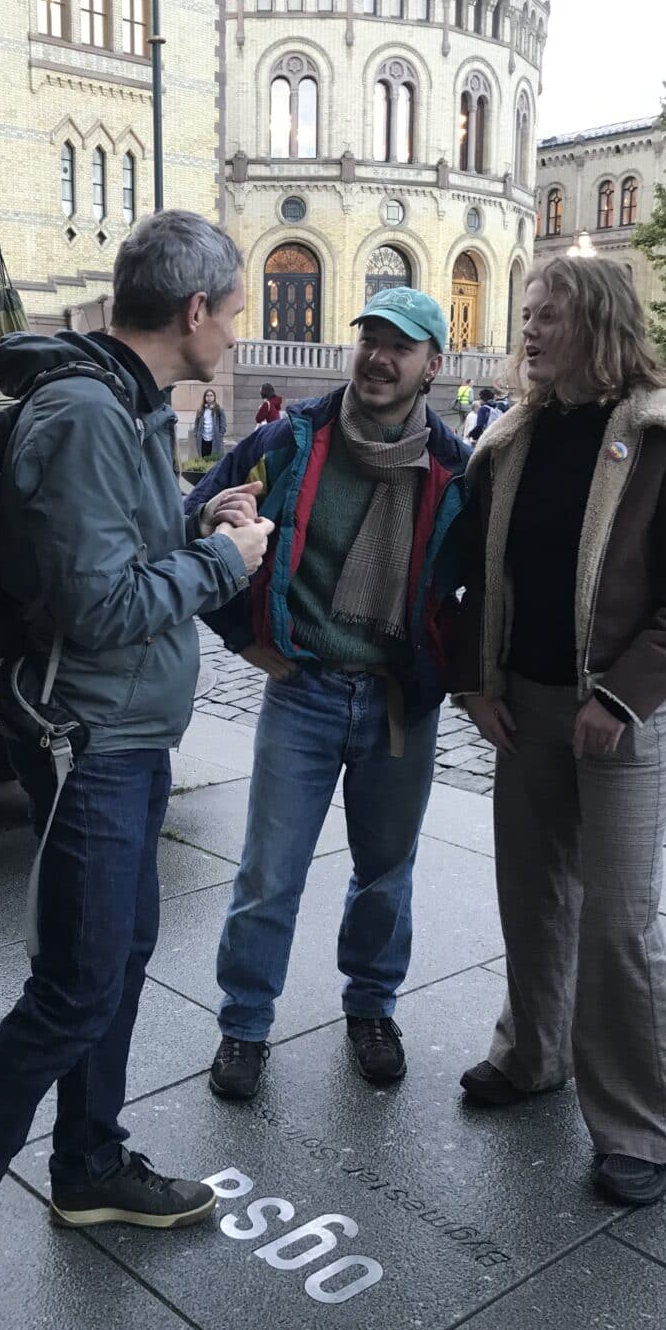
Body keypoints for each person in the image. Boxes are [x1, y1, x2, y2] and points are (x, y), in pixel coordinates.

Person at [0, 210, 274, 1330]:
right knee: (72, 989)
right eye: (235, 309)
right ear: (194, 312)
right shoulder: (90, 413)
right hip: (88, 737)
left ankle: (90, 1163)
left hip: (127, 734)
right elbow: (100, 610)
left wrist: (192, 524)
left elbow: (101, 562)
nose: (237, 330)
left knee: (122, 950)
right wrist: (225, 565)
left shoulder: (122, 403)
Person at [452, 256, 666, 1208]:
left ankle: (647, 1130)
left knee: (619, 923)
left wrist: (618, 701)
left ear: (600, 322)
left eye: (548, 316)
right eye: (525, 314)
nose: (527, 331)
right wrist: (475, 683)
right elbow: (479, 581)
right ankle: (532, 1056)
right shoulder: (513, 438)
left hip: (619, 713)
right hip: (523, 707)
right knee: (530, 901)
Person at [188, 286, 469, 1099]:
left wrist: (459, 677)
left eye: (401, 345)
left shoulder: (453, 470)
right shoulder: (290, 440)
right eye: (370, 339)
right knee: (269, 874)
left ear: (432, 366)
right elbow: (192, 524)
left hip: (395, 705)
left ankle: (371, 1008)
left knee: (385, 873)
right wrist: (243, 632)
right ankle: (244, 1026)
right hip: (304, 696)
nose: (379, 357)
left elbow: (480, 590)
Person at [193, 386, 227, 458]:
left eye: (211, 395)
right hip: (202, 439)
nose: (209, 397)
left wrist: (220, 434)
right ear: (205, 397)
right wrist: (196, 433)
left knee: (213, 459)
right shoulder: (200, 410)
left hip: (214, 439)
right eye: (207, 395)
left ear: (214, 397)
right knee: (203, 457)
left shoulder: (219, 409)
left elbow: (223, 424)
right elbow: (196, 422)